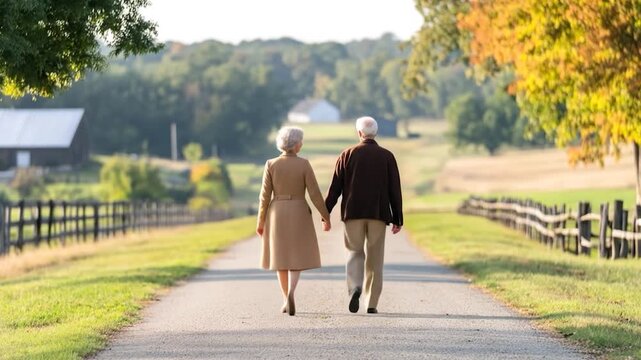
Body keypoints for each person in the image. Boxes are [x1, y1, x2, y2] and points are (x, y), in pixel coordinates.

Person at [324, 116, 403, 314]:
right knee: (375, 257)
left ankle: (355, 288)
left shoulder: (347, 155)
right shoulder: (387, 156)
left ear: (359, 133)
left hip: (353, 213)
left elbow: (335, 188)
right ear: (375, 133)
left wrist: (326, 212)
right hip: (378, 214)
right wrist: (397, 218)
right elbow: (395, 189)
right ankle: (371, 303)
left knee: (354, 252)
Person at [256, 126, 331, 316]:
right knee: (296, 257)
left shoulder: (271, 164)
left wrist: (260, 221)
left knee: (280, 259)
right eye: (301, 141)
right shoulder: (304, 164)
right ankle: (291, 292)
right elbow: (314, 194)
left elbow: (264, 196)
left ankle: (284, 298)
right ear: (297, 145)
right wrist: (325, 216)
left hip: (277, 212)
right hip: (298, 210)